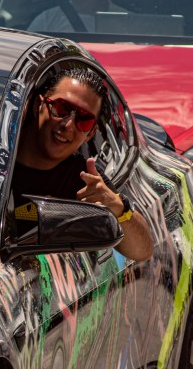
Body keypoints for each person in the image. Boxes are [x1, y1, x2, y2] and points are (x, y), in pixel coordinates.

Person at [12, 67, 153, 261]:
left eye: (84, 119)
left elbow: (142, 252)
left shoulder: (86, 181)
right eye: (62, 109)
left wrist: (117, 207)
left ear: (91, 134)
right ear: (39, 105)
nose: (68, 125)